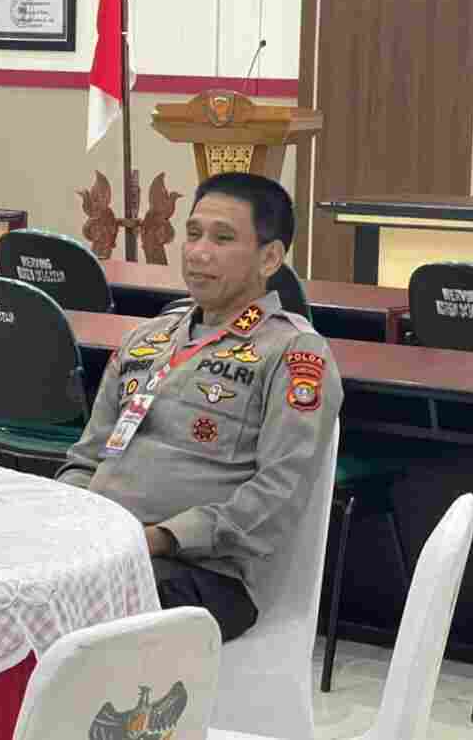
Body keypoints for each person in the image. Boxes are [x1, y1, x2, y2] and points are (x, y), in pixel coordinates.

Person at [56, 172, 342, 641]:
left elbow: (278, 493)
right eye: (193, 234)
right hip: (104, 547)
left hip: (204, 573)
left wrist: (160, 538)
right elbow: (86, 458)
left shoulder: (292, 353)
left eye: (222, 238)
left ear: (270, 257)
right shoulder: (146, 339)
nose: (198, 252)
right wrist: (64, 518)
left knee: (81, 600)